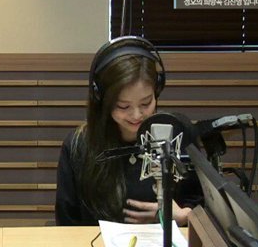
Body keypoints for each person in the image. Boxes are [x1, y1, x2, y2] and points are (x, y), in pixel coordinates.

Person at [55, 36, 202, 226]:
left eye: (146, 103)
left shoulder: (177, 132)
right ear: (102, 100)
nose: (136, 115)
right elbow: (67, 222)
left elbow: (203, 205)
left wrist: (183, 216)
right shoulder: (78, 146)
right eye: (123, 106)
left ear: (157, 91)